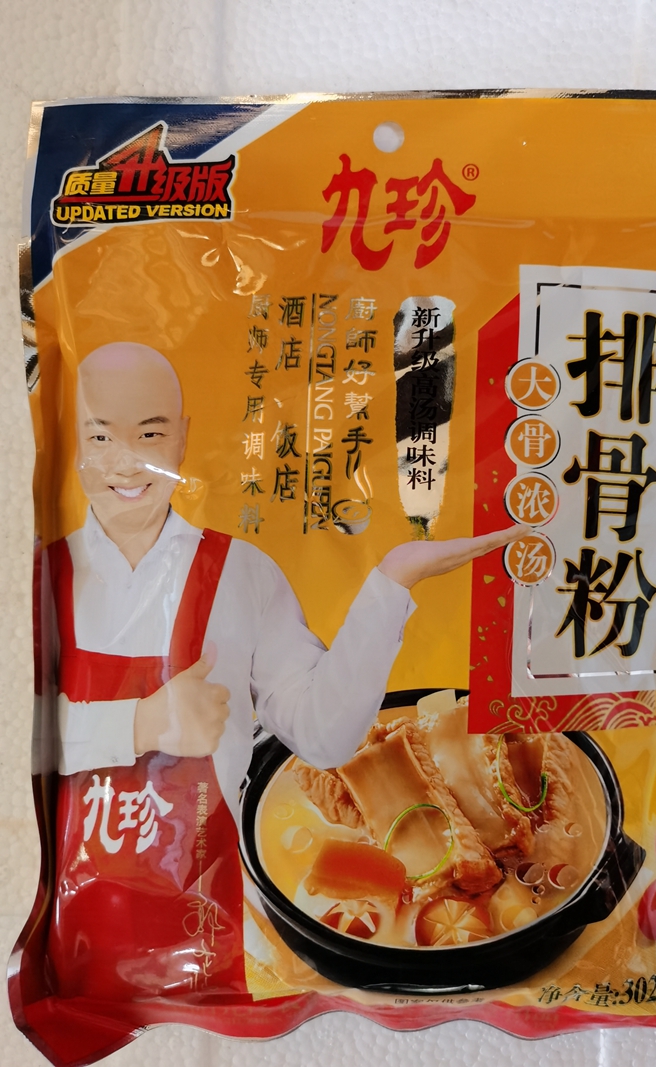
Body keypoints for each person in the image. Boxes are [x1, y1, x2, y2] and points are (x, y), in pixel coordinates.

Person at [44, 341, 523, 1001]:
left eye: (149, 434)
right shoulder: (36, 573)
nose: (127, 460)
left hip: (213, 918)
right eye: (101, 436)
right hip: (71, 913)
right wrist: (141, 723)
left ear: (182, 438)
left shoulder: (240, 571)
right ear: (73, 442)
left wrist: (393, 582)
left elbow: (322, 737)